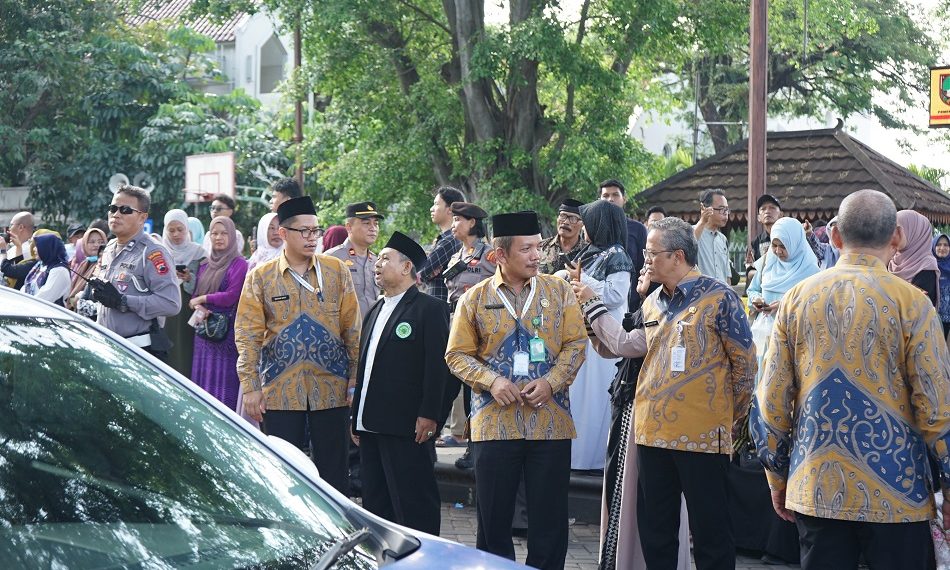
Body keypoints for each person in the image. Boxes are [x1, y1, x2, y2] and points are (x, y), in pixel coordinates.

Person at [750, 189, 950, 570]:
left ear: (836, 237)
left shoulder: (796, 299)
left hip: (817, 484)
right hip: (898, 489)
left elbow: (771, 400)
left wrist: (776, 476)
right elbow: (937, 407)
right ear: (895, 238)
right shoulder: (912, 303)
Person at [445, 211, 587, 570]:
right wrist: (492, 381)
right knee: (494, 520)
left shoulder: (559, 291)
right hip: (495, 425)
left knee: (550, 519)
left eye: (538, 247)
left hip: (550, 421)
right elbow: (457, 355)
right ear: (499, 255)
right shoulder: (474, 298)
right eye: (526, 249)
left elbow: (576, 344)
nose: (537, 255)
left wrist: (552, 381)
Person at [634, 216, 756, 570]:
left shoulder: (721, 298)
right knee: (656, 532)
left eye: (652, 253)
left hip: (703, 435)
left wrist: (731, 416)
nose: (646, 259)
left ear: (677, 256)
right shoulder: (652, 301)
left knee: (711, 534)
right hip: (652, 432)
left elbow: (745, 365)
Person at [235, 196, 361, 494]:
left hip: (332, 390)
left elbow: (353, 330)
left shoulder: (336, 271)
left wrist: (356, 377)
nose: (311, 238)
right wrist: (250, 386)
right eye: (303, 231)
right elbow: (247, 334)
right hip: (280, 390)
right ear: (283, 233)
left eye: (315, 231)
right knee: (282, 472)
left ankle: (340, 532)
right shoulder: (261, 277)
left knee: (334, 473)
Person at [571, 268, 690, 570]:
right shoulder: (646, 309)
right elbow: (612, 345)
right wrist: (588, 312)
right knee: (621, 489)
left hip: (645, 416)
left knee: (639, 497)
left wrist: (592, 302)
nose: (642, 267)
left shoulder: (668, 309)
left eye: (651, 261)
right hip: (629, 412)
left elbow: (626, 343)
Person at [351, 231, 449, 535]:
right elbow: (364, 368)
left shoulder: (429, 309)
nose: (377, 264)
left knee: (414, 504)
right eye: (378, 259)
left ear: (407, 267)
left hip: (407, 427)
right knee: (376, 507)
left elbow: (438, 368)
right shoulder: (375, 310)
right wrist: (356, 417)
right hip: (370, 425)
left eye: (385, 258)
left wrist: (430, 414)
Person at [734, 217, 818, 566]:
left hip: (791, 339)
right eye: (776, 244)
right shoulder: (768, 259)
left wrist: (781, 307)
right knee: (760, 389)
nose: (779, 250)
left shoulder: (810, 268)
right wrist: (756, 299)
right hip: (763, 332)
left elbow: (809, 304)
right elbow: (754, 288)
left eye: (783, 245)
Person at [566, 200, 632, 471]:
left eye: (588, 223)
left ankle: (594, 459)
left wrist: (583, 282)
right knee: (582, 397)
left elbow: (616, 296)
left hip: (606, 334)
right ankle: (578, 456)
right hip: (587, 332)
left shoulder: (617, 255)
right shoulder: (591, 253)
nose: (583, 229)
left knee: (597, 399)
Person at [90, 185, 181, 361]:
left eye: (125, 210)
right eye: (113, 208)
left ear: (142, 217)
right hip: (107, 347)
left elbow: (171, 303)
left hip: (138, 352)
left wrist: (123, 301)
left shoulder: (153, 253)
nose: (116, 214)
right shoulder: (109, 248)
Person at [441, 202, 496, 460]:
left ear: (472, 223)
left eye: (458, 221)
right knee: (449, 384)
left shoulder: (490, 254)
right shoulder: (456, 256)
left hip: (479, 325)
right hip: (454, 322)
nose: (453, 226)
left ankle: (474, 448)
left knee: (472, 387)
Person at [188, 217, 248, 410]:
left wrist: (205, 299)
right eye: (214, 233)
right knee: (203, 381)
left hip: (225, 334)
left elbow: (232, 295)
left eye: (224, 233)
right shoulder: (205, 265)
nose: (219, 237)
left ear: (231, 236)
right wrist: (199, 306)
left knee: (223, 383)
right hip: (204, 334)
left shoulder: (239, 264)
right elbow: (195, 295)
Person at [160, 209, 206, 378]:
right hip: (164, 307)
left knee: (185, 349)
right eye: (171, 230)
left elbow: (208, 282)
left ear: (187, 229)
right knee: (167, 346)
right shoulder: (158, 251)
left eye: (180, 229)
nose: (176, 234)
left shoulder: (199, 252)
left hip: (188, 307)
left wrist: (190, 278)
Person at [325, 202, 383, 317]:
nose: (373, 228)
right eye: (366, 223)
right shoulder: (332, 258)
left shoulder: (376, 260)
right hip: (343, 331)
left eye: (376, 224)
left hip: (371, 329)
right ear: (349, 227)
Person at [599, 179, 647, 310]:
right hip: (598, 302)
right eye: (605, 196)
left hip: (632, 304)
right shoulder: (594, 230)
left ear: (624, 199)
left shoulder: (638, 229)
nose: (610, 199)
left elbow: (645, 265)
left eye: (615, 195)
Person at [419, 186, 465, 302]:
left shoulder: (450, 240)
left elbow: (420, 272)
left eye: (436, 204)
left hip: (441, 306)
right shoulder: (447, 239)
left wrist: (426, 273)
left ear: (450, 209)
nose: (431, 209)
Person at [889, 209, 939, 308]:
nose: (893, 235)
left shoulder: (926, 267)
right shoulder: (890, 260)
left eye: (898, 230)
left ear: (914, 233)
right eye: (891, 230)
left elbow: (918, 307)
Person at [66, 227, 108, 318]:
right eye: (92, 242)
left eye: (101, 242)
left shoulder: (105, 265)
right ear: (84, 244)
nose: (96, 245)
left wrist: (78, 299)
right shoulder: (84, 264)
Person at [693, 188, 732, 284]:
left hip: (721, 296)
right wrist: (702, 221)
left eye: (727, 210)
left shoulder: (722, 239)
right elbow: (688, 244)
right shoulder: (691, 232)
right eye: (722, 209)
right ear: (704, 208)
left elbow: (727, 275)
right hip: (700, 296)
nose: (725, 214)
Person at [538, 198, 586, 275]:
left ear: (582, 224)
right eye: (563, 216)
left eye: (573, 218)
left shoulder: (587, 252)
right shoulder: (541, 247)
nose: (566, 222)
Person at [22, 233, 70, 305]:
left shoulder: (59, 271)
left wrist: (24, 305)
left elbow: (45, 298)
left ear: (47, 248)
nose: (34, 249)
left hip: (48, 313)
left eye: (37, 246)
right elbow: (25, 287)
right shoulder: (40, 266)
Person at [935, 233, 950, 338]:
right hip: (932, 315)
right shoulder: (928, 265)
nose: (942, 248)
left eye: (946, 245)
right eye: (939, 244)